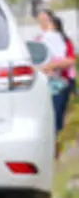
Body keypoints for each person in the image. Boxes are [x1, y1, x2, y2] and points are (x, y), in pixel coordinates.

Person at [34, 9, 76, 147]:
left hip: (62, 83)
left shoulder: (64, 40)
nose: (44, 24)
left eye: (46, 20)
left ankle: (56, 144)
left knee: (57, 115)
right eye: (41, 21)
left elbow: (70, 60)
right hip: (45, 83)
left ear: (53, 22)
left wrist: (52, 66)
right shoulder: (38, 41)